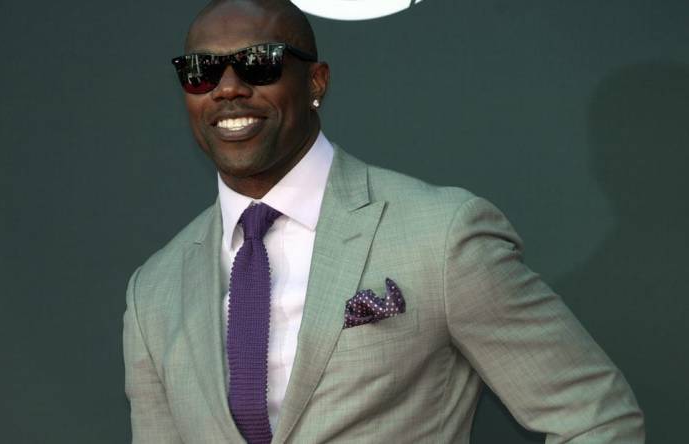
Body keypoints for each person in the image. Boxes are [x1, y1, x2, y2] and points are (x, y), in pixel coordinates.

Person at [122, 1, 645, 442]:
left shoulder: (441, 236)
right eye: (201, 71)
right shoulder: (155, 291)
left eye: (259, 63)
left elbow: (594, 415)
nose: (227, 88)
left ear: (316, 82)